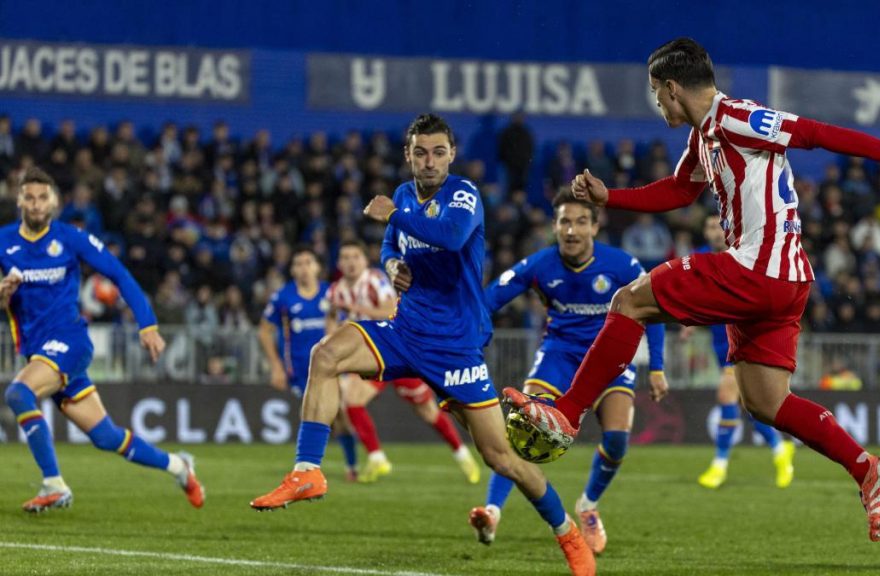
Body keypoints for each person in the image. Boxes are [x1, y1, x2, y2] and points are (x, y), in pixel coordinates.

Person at [504, 37, 880, 543]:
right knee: (765, 402)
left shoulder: (734, 116)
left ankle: (566, 413)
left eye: (655, 92)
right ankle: (867, 468)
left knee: (630, 300)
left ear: (672, 88)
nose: (655, 104)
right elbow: (680, 189)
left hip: (759, 270)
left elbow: (813, 132)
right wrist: (612, 197)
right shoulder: (704, 136)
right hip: (785, 281)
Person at [250, 114, 595, 576]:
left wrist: (394, 216)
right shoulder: (404, 196)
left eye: (437, 152)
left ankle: (567, 533)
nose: (428, 161)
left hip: (455, 348)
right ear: (407, 155)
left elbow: (450, 237)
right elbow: (391, 245)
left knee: (502, 458)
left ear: (451, 155)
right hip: (405, 330)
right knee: (325, 355)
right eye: (419, 152)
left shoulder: (463, 195)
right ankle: (307, 470)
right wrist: (391, 266)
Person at [471, 188, 666, 555]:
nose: (571, 230)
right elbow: (489, 299)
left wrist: (656, 366)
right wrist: (468, 330)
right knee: (522, 429)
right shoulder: (540, 264)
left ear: (595, 226)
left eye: (580, 222)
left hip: (608, 360)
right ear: (554, 226)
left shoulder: (623, 265)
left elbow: (652, 313)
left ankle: (588, 506)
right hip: (559, 355)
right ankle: (493, 512)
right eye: (564, 222)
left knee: (617, 439)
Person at [0, 167, 204, 512]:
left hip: (69, 341)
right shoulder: (4, 241)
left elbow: (118, 274)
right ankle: (179, 467)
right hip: (39, 353)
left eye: (42, 198)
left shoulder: (70, 237)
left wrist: (147, 324)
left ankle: (54, 484)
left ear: (54, 203)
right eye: (30, 197)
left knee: (19, 393)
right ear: (19, 199)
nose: (36, 205)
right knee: (106, 437)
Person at [325, 239, 481, 484]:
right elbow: (332, 320)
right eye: (345, 257)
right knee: (352, 399)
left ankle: (462, 455)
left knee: (427, 411)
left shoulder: (375, 280)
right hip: (370, 357)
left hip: (400, 350)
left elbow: (389, 311)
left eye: (355, 256)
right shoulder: (335, 291)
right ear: (338, 263)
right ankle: (377, 458)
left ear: (365, 260)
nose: (350, 262)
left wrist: (353, 308)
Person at [691, 215, 795, 489]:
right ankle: (779, 449)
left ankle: (719, 464)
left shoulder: (743, 256)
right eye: (709, 226)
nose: (714, 232)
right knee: (750, 406)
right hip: (719, 345)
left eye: (718, 226)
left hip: (743, 342)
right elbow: (690, 292)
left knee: (726, 394)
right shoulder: (699, 259)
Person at [258, 246, 359, 481]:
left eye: (308, 262)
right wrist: (276, 367)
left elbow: (348, 325)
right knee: (321, 416)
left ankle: (349, 465)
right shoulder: (283, 297)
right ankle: (309, 467)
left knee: (337, 414)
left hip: (333, 367)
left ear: (317, 267)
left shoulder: (331, 293)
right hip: (301, 370)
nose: (303, 268)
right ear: (292, 269)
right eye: (298, 264)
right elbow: (264, 331)